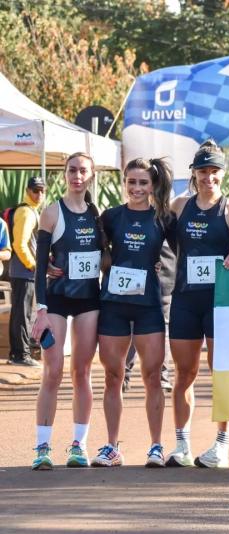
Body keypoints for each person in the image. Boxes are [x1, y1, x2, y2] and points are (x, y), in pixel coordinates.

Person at [166, 140, 229, 468]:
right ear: (194, 174)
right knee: (184, 373)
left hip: (220, 303)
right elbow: (167, 244)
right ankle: (182, 445)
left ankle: (222, 445)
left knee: (222, 373)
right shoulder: (178, 207)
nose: (209, 177)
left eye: (214, 171)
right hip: (186, 298)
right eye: (203, 171)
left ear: (223, 174)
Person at [91, 157, 173, 468]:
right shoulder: (111, 217)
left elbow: (184, 252)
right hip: (113, 304)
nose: (136, 188)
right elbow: (94, 250)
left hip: (149, 306)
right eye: (132, 182)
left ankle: (155, 446)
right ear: (125, 183)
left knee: (152, 376)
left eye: (143, 182)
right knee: (113, 376)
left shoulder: (163, 219)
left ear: (152, 186)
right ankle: (112, 447)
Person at [29, 153, 104, 470]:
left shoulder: (96, 213)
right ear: (64, 175)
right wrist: (41, 309)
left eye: (82, 171)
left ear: (91, 176)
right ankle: (42, 447)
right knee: (54, 370)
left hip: (88, 299)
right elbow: (40, 265)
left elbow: (105, 256)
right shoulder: (51, 213)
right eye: (72, 170)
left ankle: (79, 445)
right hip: (57, 301)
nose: (77, 176)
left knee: (82, 372)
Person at [123, 241, 175, 393]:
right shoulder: (170, 217)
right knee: (136, 323)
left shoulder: (168, 218)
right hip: (139, 275)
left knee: (159, 326)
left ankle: (161, 376)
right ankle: (127, 375)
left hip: (163, 278)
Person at [7, 176, 46, 367]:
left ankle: (17, 353)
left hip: (23, 270)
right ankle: (21, 355)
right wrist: (33, 266)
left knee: (20, 313)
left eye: (41, 191)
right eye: (35, 190)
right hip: (24, 271)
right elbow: (19, 244)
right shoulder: (26, 213)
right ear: (27, 191)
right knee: (23, 314)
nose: (38, 194)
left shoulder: (30, 211)